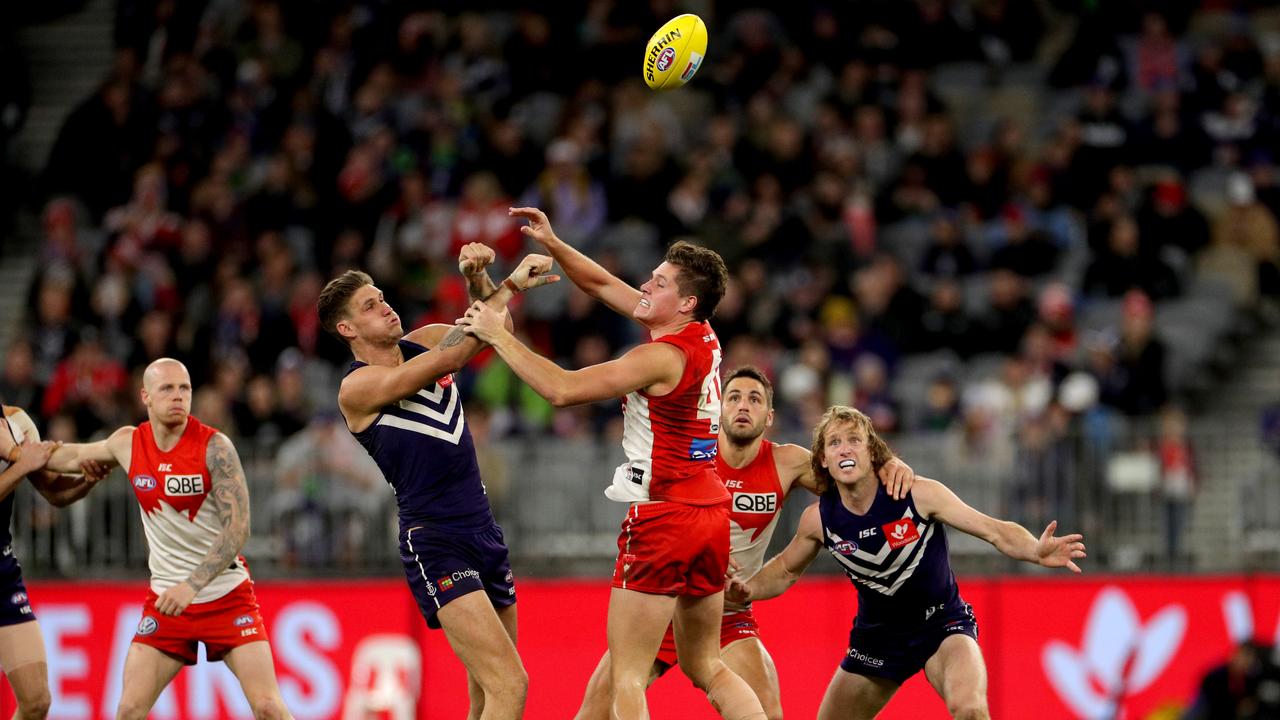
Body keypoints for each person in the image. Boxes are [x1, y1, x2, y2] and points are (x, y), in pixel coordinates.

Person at [457, 206, 767, 720]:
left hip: (665, 516)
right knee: (706, 664)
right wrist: (554, 243)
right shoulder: (702, 335)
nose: (646, 284)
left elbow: (563, 389)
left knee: (626, 673)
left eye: (660, 282)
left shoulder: (660, 358)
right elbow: (602, 284)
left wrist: (497, 334)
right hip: (711, 510)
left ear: (686, 302)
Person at [574, 367, 916, 720]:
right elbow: (652, 517)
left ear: (769, 416)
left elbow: (854, 476)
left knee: (768, 711)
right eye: (733, 397)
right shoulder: (689, 456)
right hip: (661, 607)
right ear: (718, 409)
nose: (743, 406)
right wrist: (700, 547)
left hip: (725, 614)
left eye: (754, 399)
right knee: (593, 713)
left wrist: (888, 463)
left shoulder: (788, 463)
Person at [320, 242, 558, 720]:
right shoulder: (357, 388)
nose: (385, 306)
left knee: (486, 694)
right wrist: (509, 285)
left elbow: (497, 331)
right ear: (347, 329)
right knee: (511, 685)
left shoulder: (427, 337)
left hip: (484, 532)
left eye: (382, 297)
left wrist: (478, 280)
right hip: (436, 541)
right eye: (370, 305)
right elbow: (453, 359)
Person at [727, 405, 1087, 720]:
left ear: (872, 452)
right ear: (822, 460)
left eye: (854, 439)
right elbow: (786, 569)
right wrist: (747, 589)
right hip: (876, 639)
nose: (845, 449)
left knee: (971, 709)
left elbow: (994, 531)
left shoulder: (917, 494)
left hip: (942, 626)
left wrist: (1035, 551)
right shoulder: (818, 520)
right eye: (834, 443)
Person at [40, 359, 293, 720]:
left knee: (269, 707)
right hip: (166, 604)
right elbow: (71, 456)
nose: (178, 396)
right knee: (128, 709)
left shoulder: (215, 447)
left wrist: (191, 585)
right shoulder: (128, 443)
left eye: (185, 388)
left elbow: (238, 529)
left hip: (226, 597)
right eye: (167, 388)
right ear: (145, 396)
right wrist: (20, 452)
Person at [0, 403, 107, 720]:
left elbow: (54, 492)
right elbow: (26, 465)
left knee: (37, 701)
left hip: (2, 574)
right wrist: (19, 466)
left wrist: (88, 478)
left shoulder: (16, 421)